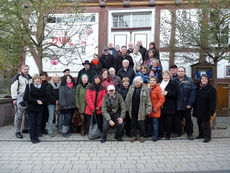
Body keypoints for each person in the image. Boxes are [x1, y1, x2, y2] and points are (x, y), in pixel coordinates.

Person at [125, 76, 152, 143]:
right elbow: (127, 98)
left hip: (141, 109)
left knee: (141, 124)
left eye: (137, 82)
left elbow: (148, 100)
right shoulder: (131, 88)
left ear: (141, 82)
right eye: (135, 82)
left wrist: (148, 110)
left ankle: (142, 136)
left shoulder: (145, 88)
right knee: (133, 123)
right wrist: (127, 107)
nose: (135, 83)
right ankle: (133, 136)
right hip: (133, 109)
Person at [173, 66, 196, 140]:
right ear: (177, 72)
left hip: (186, 104)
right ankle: (178, 133)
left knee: (188, 120)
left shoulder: (190, 80)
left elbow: (193, 93)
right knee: (177, 120)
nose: (180, 72)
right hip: (177, 104)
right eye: (179, 71)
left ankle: (190, 134)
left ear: (185, 72)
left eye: (182, 71)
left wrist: (190, 103)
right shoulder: (174, 80)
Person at [23, 74, 46, 144]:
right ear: (33, 80)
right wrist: (36, 101)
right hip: (31, 108)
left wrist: (42, 101)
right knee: (32, 123)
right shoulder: (29, 86)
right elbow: (25, 97)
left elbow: (46, 97)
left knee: (38, 123)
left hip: (40, 108)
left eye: (38, 78)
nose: (37, 80)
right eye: (35, 79)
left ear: (40, 79)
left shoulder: (43, 86)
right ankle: (32, 138)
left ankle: (36, 137)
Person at [193, 74, 216, 143]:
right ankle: (201, 135)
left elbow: (213, 102)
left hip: (206, 110)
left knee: (206, 124)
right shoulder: (198, 87)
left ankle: (207, 137)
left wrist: (211, 111)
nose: (204, 80)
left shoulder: (211, 89)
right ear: (200, 80)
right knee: (199, 122)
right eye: (202, 79)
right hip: (198, 109)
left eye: (205, 79)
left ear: (208, 80)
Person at [11, 64, 31, 139]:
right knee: (19, 115)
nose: (26, 70)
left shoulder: (30, 77)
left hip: (28, 97)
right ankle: (17, 131)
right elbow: (13, 88)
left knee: (26, 114)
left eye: (27, 69)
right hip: (20, 97)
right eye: (24, 69)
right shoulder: (17, 77)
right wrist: (14, 98)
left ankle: (25, 128)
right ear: (21, 69)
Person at [159, 71, 178, 140]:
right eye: (164, 75)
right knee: (161, 121)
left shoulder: (173, 83)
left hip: (170, 105)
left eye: (167, 75)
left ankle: (168, 135)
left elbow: (176, 94)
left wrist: (168, 93)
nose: (165, 76)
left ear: (170, 76)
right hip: (161, 105)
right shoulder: (160, 83)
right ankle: (161, 134)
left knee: (169, 121)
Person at [149, 76, 165, 142]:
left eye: (154, 80)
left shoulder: (158, 88)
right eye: (151, 80)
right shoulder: (148, 87)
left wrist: (157, 107)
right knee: (149, 123)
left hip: (155, 109)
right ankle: (150, 134)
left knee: (155, 124)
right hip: (149, 109)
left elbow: (162, 99)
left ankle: (155, 136)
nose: (152, 81)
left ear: (156, 81)